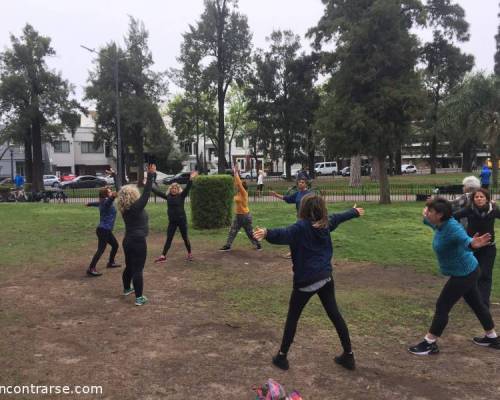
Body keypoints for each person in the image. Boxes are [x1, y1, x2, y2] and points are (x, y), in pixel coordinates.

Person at [253, 194, 364, 371]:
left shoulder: (301, 227)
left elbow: (284, 234)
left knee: (293, 317)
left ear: (303, 209)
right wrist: (354, 212)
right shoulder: (327, 222)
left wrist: (266, 233)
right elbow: (341, 217)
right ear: (322, 209)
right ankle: (349, 356)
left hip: (306, 281)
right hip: (325, 277)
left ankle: (282, 357)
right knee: (334, 314)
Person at [408, 197, 500, 355]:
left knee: (442, 306)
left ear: (440, 214)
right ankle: (492, 338)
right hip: (468, 270)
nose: (427, 212)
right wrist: (426, 216)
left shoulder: (452, 227)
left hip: (464, 273)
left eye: (430, 211)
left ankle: (430, 343)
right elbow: (433, 225)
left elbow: (465, 240)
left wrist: (473, 244)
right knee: (477, 304)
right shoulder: (441, 224)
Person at [115, 164, 156, 306]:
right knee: (138, 269)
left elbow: (119, 190)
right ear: (133, 195)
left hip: (128, 241)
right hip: (138, 241)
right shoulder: (136, 207)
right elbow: (146, 194)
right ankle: (139, 298)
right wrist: (151, 175)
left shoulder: (125, 208)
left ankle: (127, 289)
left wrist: (115, 177)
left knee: (130, 267)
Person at [453, 188, 500, 308]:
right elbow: (453, 217)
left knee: (485, 274)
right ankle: (472, 299)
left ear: (487, 199)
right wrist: (460, 232)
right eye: (476, 197)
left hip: (488, 248)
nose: (479, 199)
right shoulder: (469, 210)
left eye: (482, 197)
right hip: (472, 247)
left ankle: (483, 303)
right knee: (471, 273)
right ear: (473, 200)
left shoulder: (493, 210)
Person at [153, 171, 198, 263]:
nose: (174, 189)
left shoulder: (182, 196)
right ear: (170, 189)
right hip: (172, 222)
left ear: (178, 189)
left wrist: (191, 179)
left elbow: (188, 188)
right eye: (172, 188)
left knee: (185, 237)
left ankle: (189, 254)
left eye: (175, 188)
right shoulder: (168, 197)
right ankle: (163, 255)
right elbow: (157, 192)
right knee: (169, 238)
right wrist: (149, 185)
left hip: (182, 220)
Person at [220, 165, 261, 251]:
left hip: (245, 216)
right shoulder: (239, 193)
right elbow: (237, 183)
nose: (237, 186)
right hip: (238, 216)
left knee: (249, 232)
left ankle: (258, 245)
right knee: (232, 231)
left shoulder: (244, 193)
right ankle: (228, 245)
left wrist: (236, 172)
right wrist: (235, 174)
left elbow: (238, 183)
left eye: (240, 186)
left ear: (243, 187)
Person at [85, 187, 120, 276]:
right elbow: (108, 201)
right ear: (105, 194)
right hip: (104, 230)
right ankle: (91, 268)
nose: (111, 192)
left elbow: (97, 203)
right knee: (101, 250)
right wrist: (113, 197)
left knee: (115, 245)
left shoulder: (102, 202)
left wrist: (89, 204)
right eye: (109, 192)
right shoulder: (107, 202)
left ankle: (111, 262)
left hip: (105, 230)